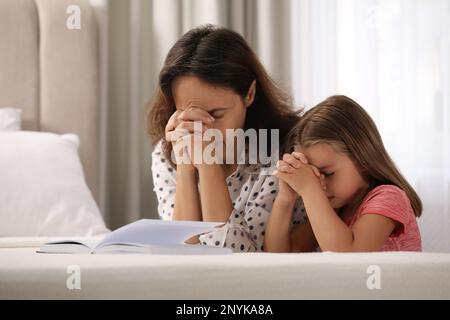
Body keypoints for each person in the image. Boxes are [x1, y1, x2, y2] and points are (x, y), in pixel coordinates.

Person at [147, 25, 305, 252]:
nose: (204, 131)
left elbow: (237, 257)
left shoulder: (281, 155)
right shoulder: (166, 154)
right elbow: (180, 253)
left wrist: (208, 166)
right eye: (189, 115)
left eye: (215, 115)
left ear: (249, 94)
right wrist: (186, 169)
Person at [264, 95, 422, 252]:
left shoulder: (390, 197)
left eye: (328, 173)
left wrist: (309, 189)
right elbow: (282, 255)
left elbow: (349, 254)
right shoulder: (338, 210)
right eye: (312, 174)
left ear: (362, 160)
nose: (319, 183)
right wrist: (285, 200)